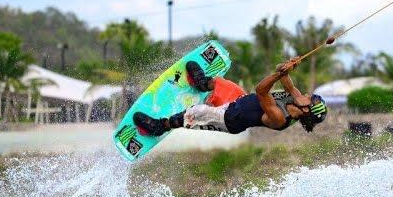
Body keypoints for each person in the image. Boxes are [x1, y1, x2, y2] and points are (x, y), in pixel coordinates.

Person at [134, 57, 327, 136]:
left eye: (311, 99)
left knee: (197, 112)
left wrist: (278, 75)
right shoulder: (297, 97)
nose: (308, 95)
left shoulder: (279, 118)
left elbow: (261, 90)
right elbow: (283, 75)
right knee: (222, 83)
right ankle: (203, 84)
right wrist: (288, 65)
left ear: (306, 110)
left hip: (230, 119)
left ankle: (161, 126)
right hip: (238, 101)